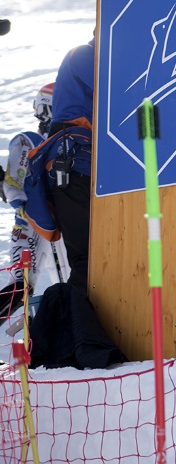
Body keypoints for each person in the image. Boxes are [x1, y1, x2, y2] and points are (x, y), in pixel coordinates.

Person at [25, 40, 94, 295]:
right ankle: (79, 328)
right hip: (74, 168)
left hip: (82, 167)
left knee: (92, 259)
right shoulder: (83, 55)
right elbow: (117, 89)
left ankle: (82, 324)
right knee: (87, 261)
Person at [0, 83, 61, 319]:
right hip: (31, 222)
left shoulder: (68, 142)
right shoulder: (28, 140)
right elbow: (13, 187)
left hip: (56, 223)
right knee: (21, 287)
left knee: (73, 282)